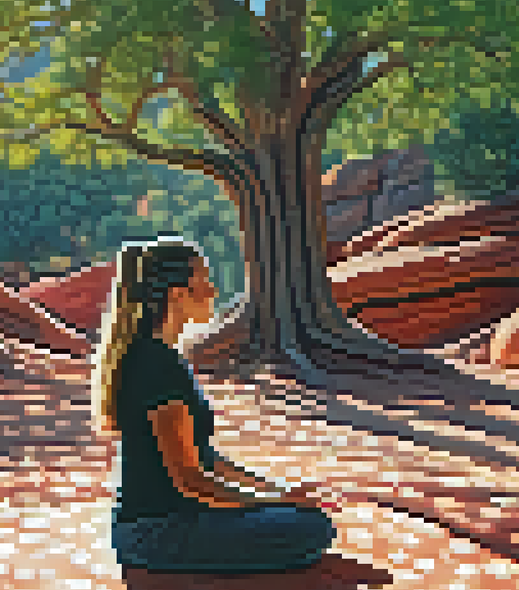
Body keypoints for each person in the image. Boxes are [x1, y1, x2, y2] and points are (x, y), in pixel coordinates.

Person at [91, 236, 338, 573]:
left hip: (167, 522)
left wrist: (279, 490)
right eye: (203, 282)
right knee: (311, 529)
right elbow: (190, 481)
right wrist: (277, 501)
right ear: (177, 295)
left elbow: (206, 460)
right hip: (157, 532)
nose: (212, 292)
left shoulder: (160, 358)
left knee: (301, 517)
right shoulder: (156, 365)